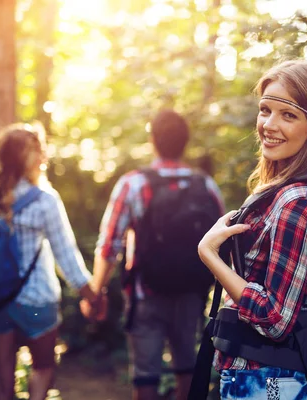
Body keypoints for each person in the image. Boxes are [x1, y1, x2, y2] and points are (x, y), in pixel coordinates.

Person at [196, 59, 307, 399]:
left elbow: (275, 319)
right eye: (265, 110)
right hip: (282, 379)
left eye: (288, 115)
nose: (269, 124)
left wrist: (209, 255)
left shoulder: (297, 200)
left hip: (266, 381)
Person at [0, 122, 103, 400]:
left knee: (2, 388)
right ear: (33, 159)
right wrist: (92, 297)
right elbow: (67, 258)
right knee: (43, 369)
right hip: (37, 302)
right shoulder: (44, 200)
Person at [83, 109, 224, 400]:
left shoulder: (133, 183)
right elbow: (222, 241)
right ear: (185, 141)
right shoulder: (205, 185)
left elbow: (109, 245)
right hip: (191, 293)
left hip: (144, 293)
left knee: (145, 374)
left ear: (153, 140)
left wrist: (96, 292)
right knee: (187, 366)